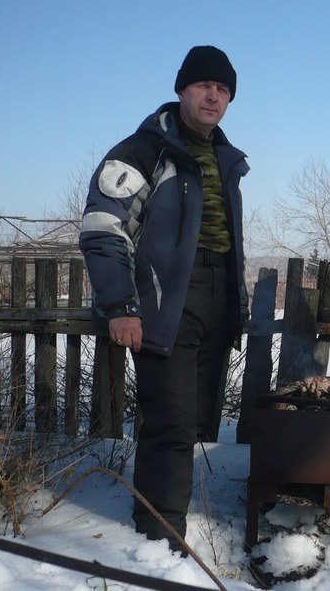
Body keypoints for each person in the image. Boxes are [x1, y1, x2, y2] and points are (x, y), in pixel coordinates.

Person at [79, 45, 249, 553]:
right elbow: (103, 228)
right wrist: (121, 306)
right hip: (163, 302)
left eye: (222, 90)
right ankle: (160, 536)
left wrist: (234, 306)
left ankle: (171, 511)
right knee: (169, 421)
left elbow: (228, 242)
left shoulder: (226, 158)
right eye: (203, 86)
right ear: (182, 91)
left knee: (195, 420)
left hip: (215, 299)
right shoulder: (143, 150)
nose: (213, 96)